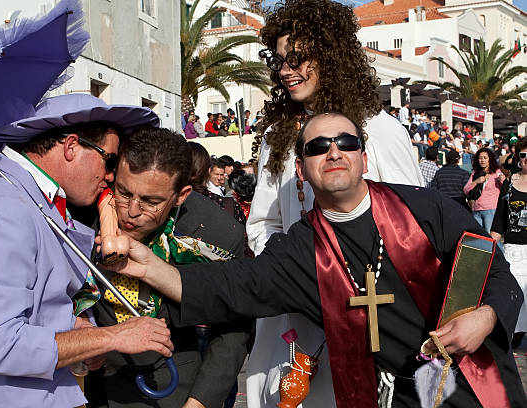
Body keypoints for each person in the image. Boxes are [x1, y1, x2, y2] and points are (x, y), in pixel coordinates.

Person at [110, 113, 526, 408]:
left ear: (363, 156)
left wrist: (486, 317)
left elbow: (496, 269)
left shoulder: (425, 207)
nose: (333, 152)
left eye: (346, 142)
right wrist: (146, 264)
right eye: (317, 146)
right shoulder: (299, 250)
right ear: (301, 169)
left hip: (473, 380)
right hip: (395, 396)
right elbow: (232, 286)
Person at [0, 94, 173, 408]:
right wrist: (112, 337)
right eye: (108, 159)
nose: (110, 175)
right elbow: (0, 345)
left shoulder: (37, 202)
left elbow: (36, 311)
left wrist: (77, 335)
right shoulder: (3, 210)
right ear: (71, 147)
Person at [246, 1, 422, 405]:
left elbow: (411, 223)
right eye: (279, 60)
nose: (286, 71)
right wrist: (296, 269)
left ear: (331, 54)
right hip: (298, 319)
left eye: (298, 58)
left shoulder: (379, 131)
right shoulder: (278, 138)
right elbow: (262, 223)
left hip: (371, 314)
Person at [93, 126, 250, 408]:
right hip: (89, 385)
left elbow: (232, 332)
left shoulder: (219, 235)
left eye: (151, 201)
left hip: (170, 386)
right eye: (125, 193)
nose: (131, 212)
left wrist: (199, 402)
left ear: (182, 195)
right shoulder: (89, 205)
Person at [491, 135, 527, 349]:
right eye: (523, 155)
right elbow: (500, 218)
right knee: (514, 293)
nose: (526, 159)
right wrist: (488, 244)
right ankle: (511, 336)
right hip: (513, 249)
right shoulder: (509, 184)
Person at [463, 148, 505, 233]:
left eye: (485, 158)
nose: (482, 160)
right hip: (476, 210)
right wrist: (476, 181)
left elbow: (504, 187)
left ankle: (499, 247)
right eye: (480, 158)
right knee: (478, 238)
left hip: (490, 210)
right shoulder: (475, 173)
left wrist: (502, 179)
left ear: (490, 159)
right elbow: (465, 189)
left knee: (490, 237)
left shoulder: (496, 172)